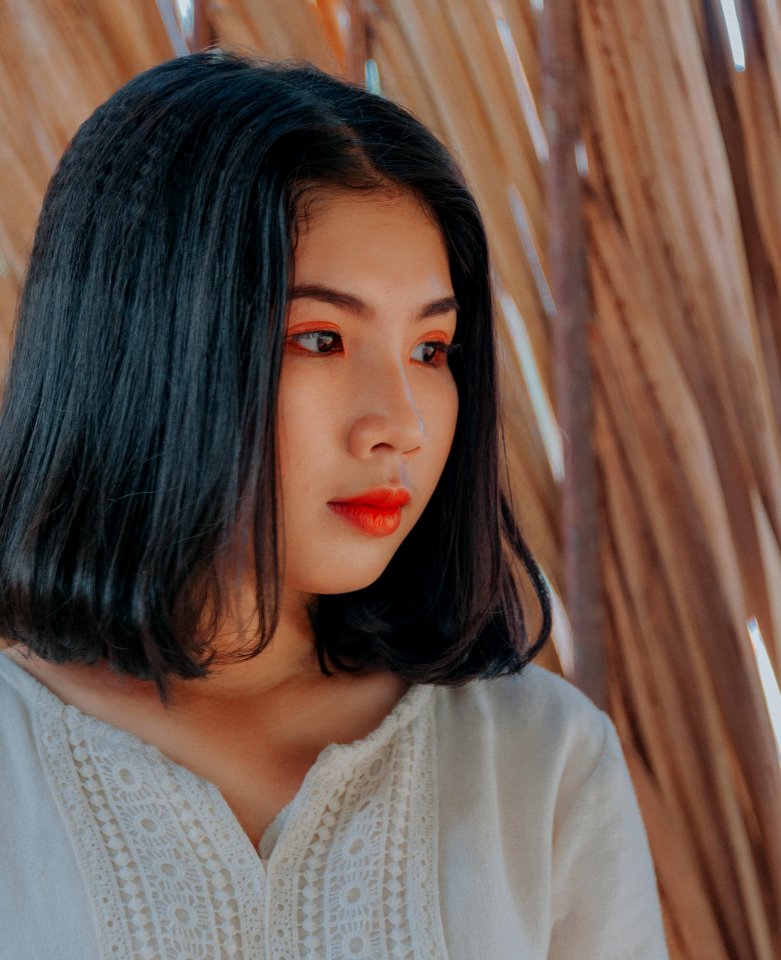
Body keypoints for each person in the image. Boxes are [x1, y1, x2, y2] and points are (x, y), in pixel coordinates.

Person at [0, 51, 668, 959]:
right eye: (320, 338)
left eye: (431, 350)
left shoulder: (538, 762)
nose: (398, 424)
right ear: (144, 349)